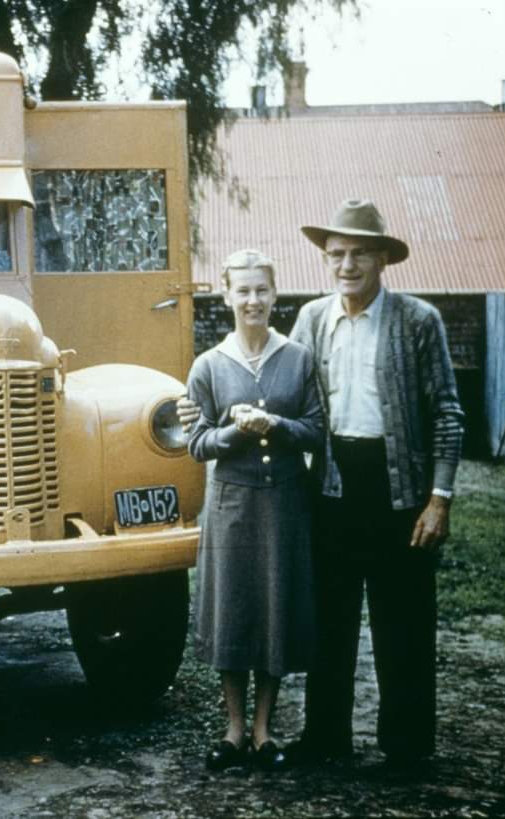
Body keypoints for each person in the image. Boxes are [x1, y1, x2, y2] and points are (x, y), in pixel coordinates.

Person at [284, 199, 465, 768]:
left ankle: (407, 748)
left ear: (383, 258)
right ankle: (326, 738)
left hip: (399, 492)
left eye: (360, 253)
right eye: (336, 253)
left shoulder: (418, 320)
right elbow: (283, 394)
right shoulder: (312, 320)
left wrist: (439, 499)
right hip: (332, 487)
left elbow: (447, 414)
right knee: (329, 619)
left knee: (403, 622)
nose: (347, 265)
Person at [186, 249, 323, 772]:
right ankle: (234, 728)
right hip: (232, 507)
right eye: (242, 290)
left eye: (261, 289)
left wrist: (277, 426)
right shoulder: (209, 365)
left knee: (273, 608)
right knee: (234, 609)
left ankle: (264, 730)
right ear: (227, 296)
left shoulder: (298, 358)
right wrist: (234, 432)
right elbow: (195, 443)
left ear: (275, 293)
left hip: (284, 504)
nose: (253, 300)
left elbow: (316, 428)